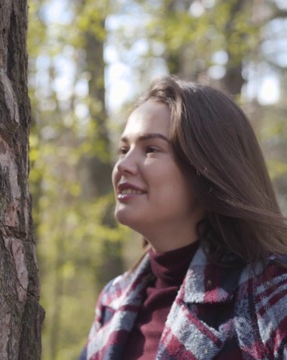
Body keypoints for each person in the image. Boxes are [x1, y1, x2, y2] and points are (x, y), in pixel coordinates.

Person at [80, 76, 287, 360]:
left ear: (208, 168)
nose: (123, 166)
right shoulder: (113, 300)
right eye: (124, 150)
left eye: (151, 149)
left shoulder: (273, 292)